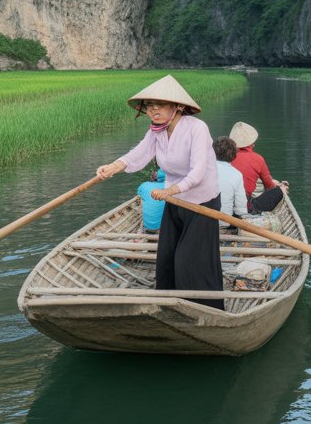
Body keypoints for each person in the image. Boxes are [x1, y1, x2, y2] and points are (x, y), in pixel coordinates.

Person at [96, 75, 224, 309]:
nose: (154, 110)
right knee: (166, 257)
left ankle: (203, 309)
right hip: (175, 199)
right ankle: (168, 305)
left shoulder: (197, 128)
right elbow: (138, 155)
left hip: (202, 202)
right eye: (150, 106)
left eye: (161, 105)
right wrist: (113, 167)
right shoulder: (156, 131)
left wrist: (171, 190)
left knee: (190, 260)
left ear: (178, 107)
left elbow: (198, 172)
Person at [228, 121, 289, 213]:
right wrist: (278, 187)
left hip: (223, 205)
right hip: (245, 208)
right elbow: (269, 187)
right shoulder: (258, 159)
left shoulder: (225, 156)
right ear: (252, 143)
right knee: (279, 191)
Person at [212, 136, 247, 219]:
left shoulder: (203, 169)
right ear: (234, 155)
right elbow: (241, 209)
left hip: (201, 220)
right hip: (224, 221)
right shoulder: (237, 174)